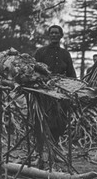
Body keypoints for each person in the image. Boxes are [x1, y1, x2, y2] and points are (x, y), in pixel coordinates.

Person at [32, 25, 75, 168]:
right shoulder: (40, 52)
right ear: (48, 36)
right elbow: (32, 71)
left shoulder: (65, 54)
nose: (54, 35)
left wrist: (72, 90)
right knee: (41, 123)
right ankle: (40, 155)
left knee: (58, 124)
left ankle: (54, 153)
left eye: (57, 33)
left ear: (61, 36)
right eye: (52, 33)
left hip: (60, 95)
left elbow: (71, 74)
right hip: (43, 94)